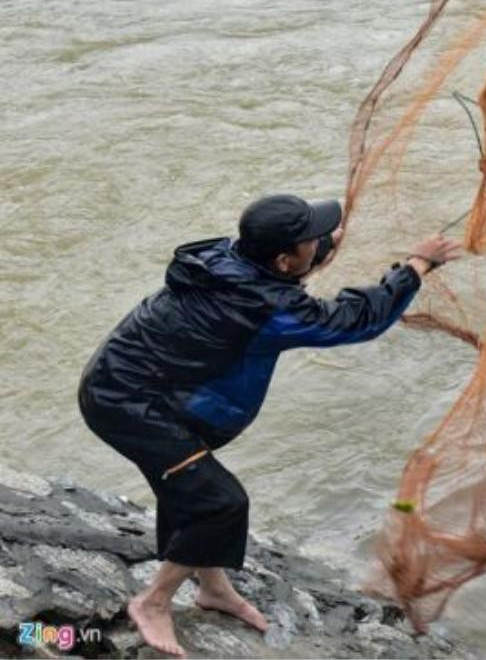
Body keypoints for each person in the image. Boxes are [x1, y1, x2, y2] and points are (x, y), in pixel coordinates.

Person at [77, 194, 461, 657]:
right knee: (221, 502)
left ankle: (213, 588)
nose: (321, 241)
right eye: (311, 240)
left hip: (142, 385)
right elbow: (353, 320)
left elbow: (274, 281)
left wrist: (314, 253)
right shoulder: (264, 310)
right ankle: (153, 601)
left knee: (189, 485)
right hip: (125, 402)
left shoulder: (223, 258)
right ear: (282, 259)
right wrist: (418, 264)